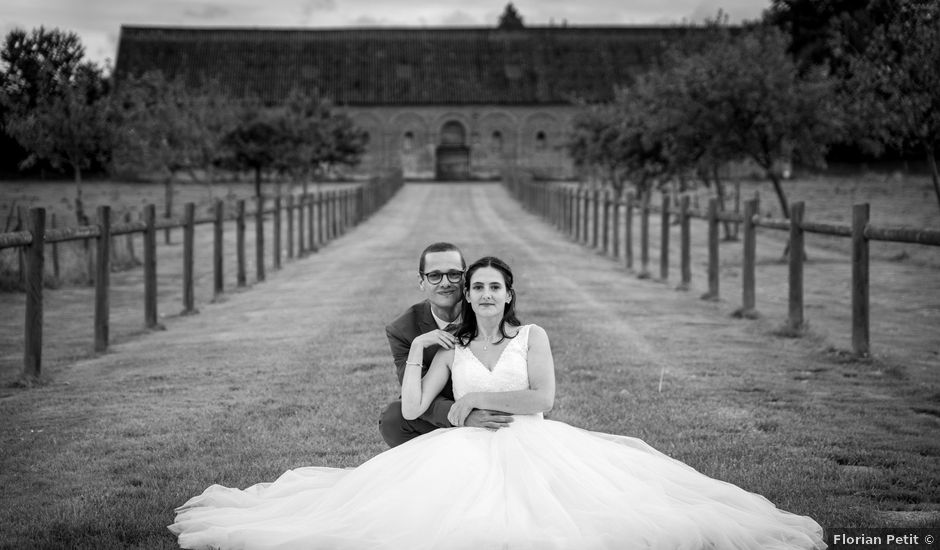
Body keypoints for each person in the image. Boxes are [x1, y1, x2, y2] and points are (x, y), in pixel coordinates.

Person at [169, 256, 826, 550]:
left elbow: (545, 395)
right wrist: (433, 363)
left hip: (534, 439)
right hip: (466, 444)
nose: (483, 294)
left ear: (507, 295)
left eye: (492, 287)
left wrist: (488, 410)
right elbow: (411, 402)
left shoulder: (533, 335)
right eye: (475, 287)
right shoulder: (449, 348)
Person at [380, 242, 513, 447]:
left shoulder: (488, 308)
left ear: (465, 277)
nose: (445, 283)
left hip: (494, 410)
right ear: (421, 281)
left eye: (453, 274)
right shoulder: (402, 330)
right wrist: (464, 416)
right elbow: (415, 394)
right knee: (394, 418)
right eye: (435, 276)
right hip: (440, 413)